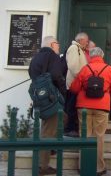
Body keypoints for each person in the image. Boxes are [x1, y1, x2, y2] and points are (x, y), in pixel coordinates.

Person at [70, 47, 111, 176]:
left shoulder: (85, 68)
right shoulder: (108, 69)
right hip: (102, 106)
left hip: (83, 107)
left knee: (85, 136)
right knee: (99, 137)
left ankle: (83, 166)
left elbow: (74, 88)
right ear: (102, 55)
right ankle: (99, 168)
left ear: (90, 56)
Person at [28, 36, 67, 175]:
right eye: (57, 43)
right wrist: (63, 90)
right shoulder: (53, 56)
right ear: (52, 44)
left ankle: (49, 152)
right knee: (48, 131)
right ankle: (42, 166)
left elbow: (32, 76)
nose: (59, 46)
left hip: (40, 99)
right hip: (52, 100)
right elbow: (57, 75)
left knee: (51, 126)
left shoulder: (36, 58)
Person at [64, 32, 89, 137]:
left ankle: (72, 128)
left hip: (77, 83)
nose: (87, 43)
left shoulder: (78, 49)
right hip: (74, 84)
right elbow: (73, 67)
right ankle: (69, 129)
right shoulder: (74, 48)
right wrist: (82, 78)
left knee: (74, 106)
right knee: (71, 107)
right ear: (81, 40)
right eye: (86, 41)